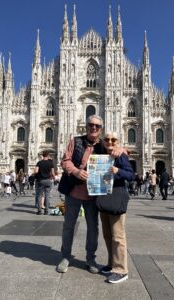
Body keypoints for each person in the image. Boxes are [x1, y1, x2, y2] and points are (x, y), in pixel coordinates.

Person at [57, 115, 124, 274]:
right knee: (68, 226)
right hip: (73, 192)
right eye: (91, 125)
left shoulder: (104, 145)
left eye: (97, 126)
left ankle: (90, 258)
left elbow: (119, 151)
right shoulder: (75, 141)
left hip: (93, 195)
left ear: (101, 129)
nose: (93, 128)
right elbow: (65, 161)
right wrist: (76, 171)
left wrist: (121, 149)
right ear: (86, 126)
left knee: (93, 228)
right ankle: (65, 257)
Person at [98, 132, 134, 284]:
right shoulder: (101, 155)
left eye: (113, 140)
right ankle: (112, 263)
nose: (110, 142)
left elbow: (131, 175)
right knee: (107, 234)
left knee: (118, 236)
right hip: (104, 196)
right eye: (107, 139)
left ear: (118, 141)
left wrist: (118, 171)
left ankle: (121, 270)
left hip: (116, 197)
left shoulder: (120, 156)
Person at [35, 151, 55, 215]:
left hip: (41, 181)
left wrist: (34, 174)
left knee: (39, 196)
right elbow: (52, 173)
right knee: (47, 196)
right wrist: (54, 178)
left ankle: (39, 211)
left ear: (42, 155)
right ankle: (46, 211)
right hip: (48, 180)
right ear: (48, 155)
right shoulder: (51, 163)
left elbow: (36, 171)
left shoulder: (39, 163)